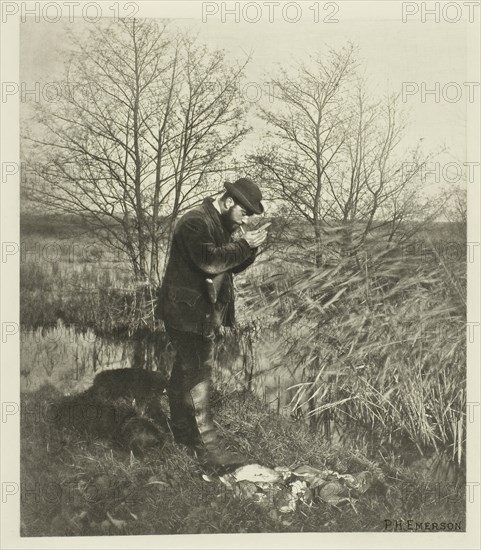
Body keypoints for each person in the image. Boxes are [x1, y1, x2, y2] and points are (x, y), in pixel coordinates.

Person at [157, 178, 267, 470]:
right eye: (245, 212)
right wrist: (244, 243)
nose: (247, 218)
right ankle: (209, 450)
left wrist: (250, 248)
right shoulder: (195, 222)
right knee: (198, 377)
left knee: (185, 371)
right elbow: (210, 262)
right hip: (186, 314)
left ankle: (181, 434)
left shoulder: (219, 224)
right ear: (230, 202)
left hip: (199, 312)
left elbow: (231, 264)